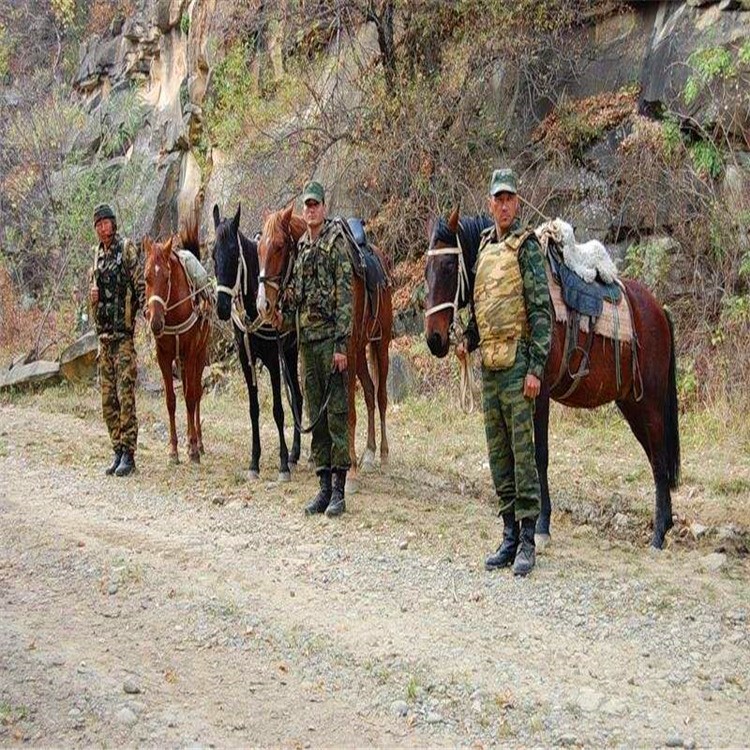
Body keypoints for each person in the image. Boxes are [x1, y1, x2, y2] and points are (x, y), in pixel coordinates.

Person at [457, 168, 551, 576]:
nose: (505, 205)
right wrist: (467, 339)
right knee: (499, 456)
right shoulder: (482, 248)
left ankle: (528, 540)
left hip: (516, 367)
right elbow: (482, 309)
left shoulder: (526, 248)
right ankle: (509, 534)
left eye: (510, 198)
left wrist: (536, 369)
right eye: (499, 198)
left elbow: (540, 312)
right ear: (491, 203)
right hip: (490, 368)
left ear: (517, 201)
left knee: (522, 452)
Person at [275, 181, 353, 517]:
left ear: (324, 208)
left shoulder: (336, 245)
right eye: (307, 206)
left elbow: (345, 298)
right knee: (315, 416)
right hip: (307, 343)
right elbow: (295, 292)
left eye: (315, 205)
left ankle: (339, 489)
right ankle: (322, 486)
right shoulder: (303, 248)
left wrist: (341, 345)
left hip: (329, 344)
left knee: (335, 412)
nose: (311, 210)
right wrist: (281, 312)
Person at [88, 203, 145, 477]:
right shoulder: (97, 256)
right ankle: (117, 450)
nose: (103, 228)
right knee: (108, 400)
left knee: (125, 397)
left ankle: (129, 455)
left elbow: (140, 285)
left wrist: (147, 309)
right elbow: (92, 300)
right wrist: (93, 301)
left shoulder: (126, 249)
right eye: (98, 224)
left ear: (114, 223)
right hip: (104, 340)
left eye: (106, 222)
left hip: (122, 338)